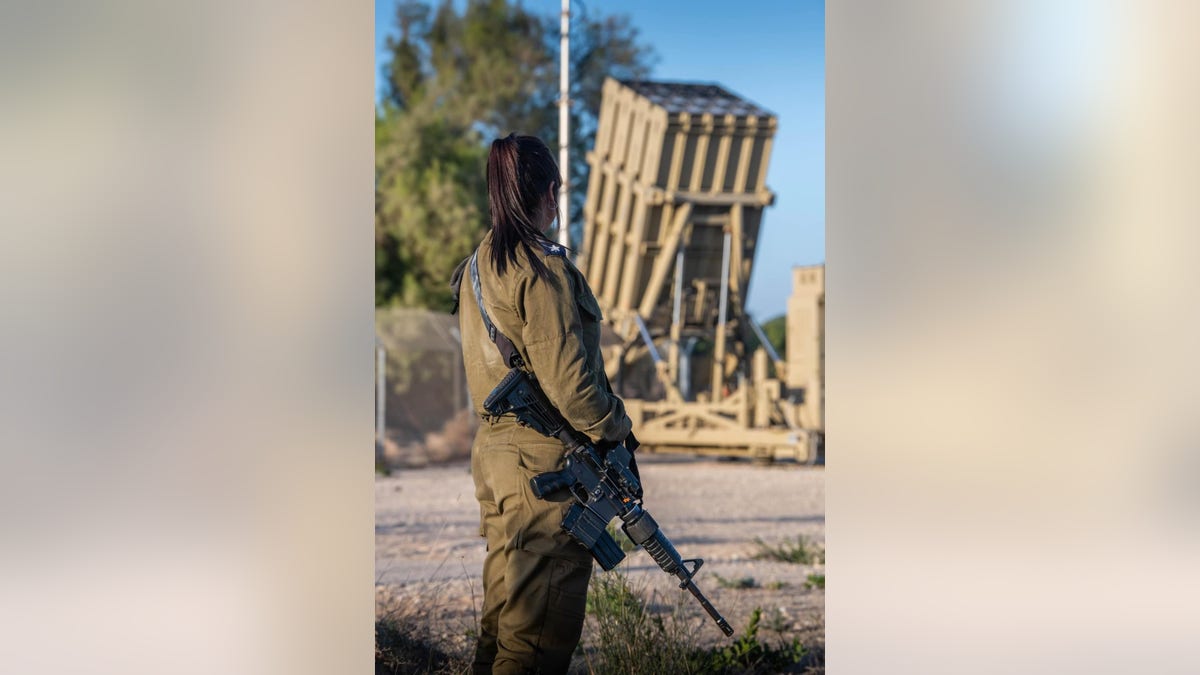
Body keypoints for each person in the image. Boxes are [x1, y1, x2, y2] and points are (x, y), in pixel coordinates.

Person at [450, 133, 635, 674]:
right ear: (551, 191)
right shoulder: (538, 266)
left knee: (503, 626)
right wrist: (617, 427)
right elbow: (572, 387)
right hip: (545, 473)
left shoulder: (479, 264)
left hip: (498, 462)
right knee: (533, 647)